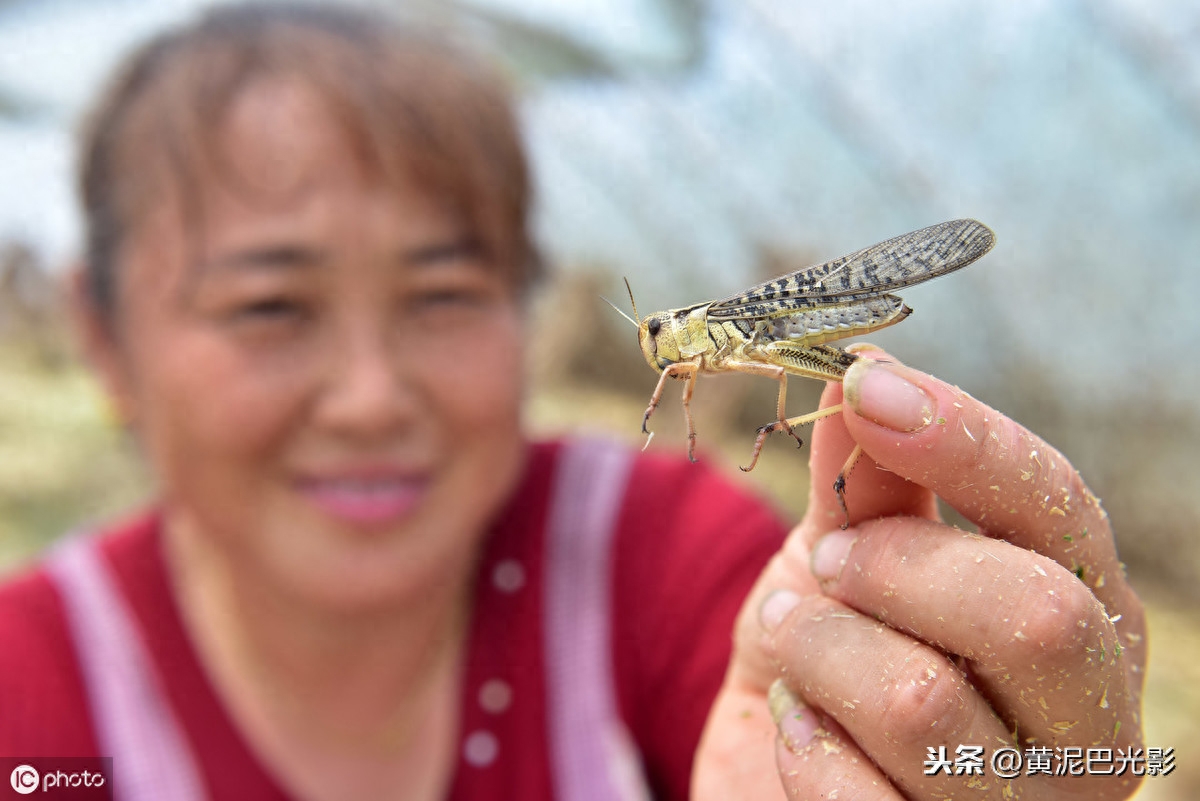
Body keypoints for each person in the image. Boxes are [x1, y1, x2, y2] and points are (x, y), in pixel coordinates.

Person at [0, 4, 1145, 800]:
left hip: (825, 336)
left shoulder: (668, 560)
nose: (367, 397)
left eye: (442, 294)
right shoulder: (34, 707)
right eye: (270, 307)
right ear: (101, 337)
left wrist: (973, 753)